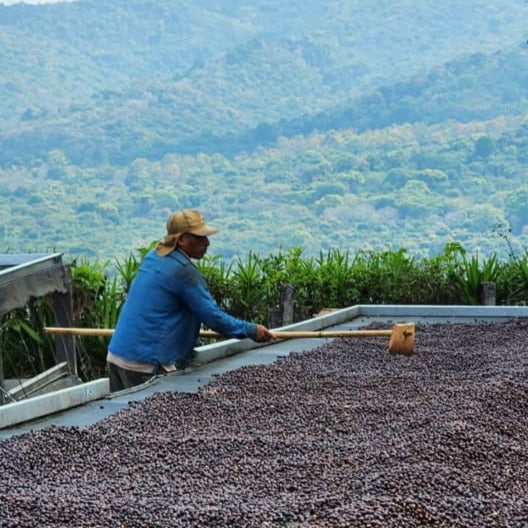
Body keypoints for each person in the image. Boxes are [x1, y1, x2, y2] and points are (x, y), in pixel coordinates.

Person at [106, 209, 275, 392]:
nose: (207, 243)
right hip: (145, 364)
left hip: (117, 356)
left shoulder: (154, 257)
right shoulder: (183, 271)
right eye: (199, 238)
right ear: (181, 240)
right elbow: (213, 317)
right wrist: (251, 330)